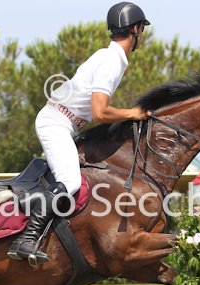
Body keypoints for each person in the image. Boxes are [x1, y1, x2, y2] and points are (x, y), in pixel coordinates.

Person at [8, 2, 152, 263]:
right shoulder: (111, 61)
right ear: (134, 29)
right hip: (56, 123)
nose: (141, 33)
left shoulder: (111, 57)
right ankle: (26, 239)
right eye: (141, 28)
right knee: (71, 182)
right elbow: (100, 112)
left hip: (64, 123)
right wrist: (132, 113)